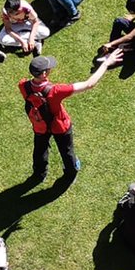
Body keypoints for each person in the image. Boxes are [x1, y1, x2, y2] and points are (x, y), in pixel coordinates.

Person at [19, 53, 118, 184]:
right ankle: (70, 173)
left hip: (40, 126)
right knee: (67, 151)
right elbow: (89, 84)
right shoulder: (55, 91)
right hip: (60, 126)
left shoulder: (23, 85)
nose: (50, 69)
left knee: (39, 149)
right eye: (48, 68)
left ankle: (39, 173)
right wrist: (106, 63)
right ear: (43, 74)